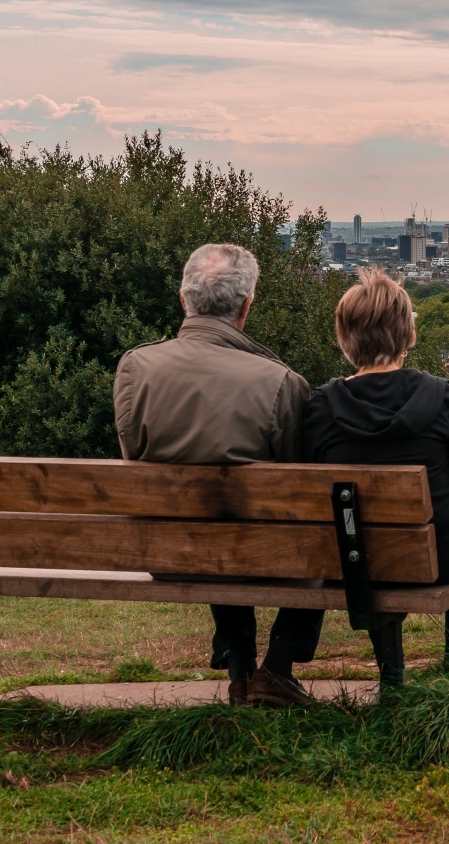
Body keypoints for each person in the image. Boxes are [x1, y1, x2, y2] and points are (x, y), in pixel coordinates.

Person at [114, 242, 319, 706]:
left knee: (209, 524)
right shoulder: (282, 383)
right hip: (263, 554)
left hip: (167, 553)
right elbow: (298, 484)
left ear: (183, 299)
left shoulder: (135, 369)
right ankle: (278, 666)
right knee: (307, 534)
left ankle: (239, 669)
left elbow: (134, 455)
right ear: (247, 305)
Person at [302, 266, 449, 657]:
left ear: (344, 339)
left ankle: (391, 675)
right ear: (408, 334)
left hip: (350, 561)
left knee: (367, 543)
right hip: (438, 553)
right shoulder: (438, 395)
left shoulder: (321, 405)